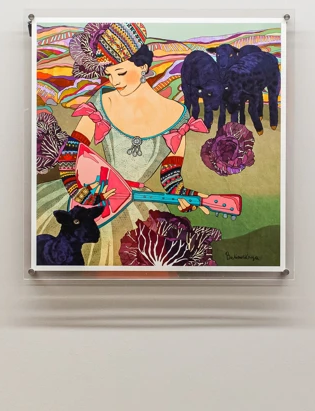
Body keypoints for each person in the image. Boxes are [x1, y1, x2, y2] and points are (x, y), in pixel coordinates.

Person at [35, 23, 210, 266]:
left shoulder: (178, 115)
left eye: (120, 72)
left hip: (142, 207)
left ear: (143, 67)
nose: (114, 81)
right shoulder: (102, 101)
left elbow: (171, 176)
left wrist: (184, 196)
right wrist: (80, 192)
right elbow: (70, 154)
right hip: (92, 200)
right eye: (109, 74)